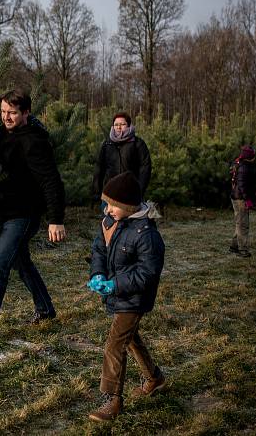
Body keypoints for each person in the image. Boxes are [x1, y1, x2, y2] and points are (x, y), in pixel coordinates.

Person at [0, 88, 66, 343]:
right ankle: (45, 309)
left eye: (13, 113)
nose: (6, 117)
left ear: (26, 112)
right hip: (5, 211)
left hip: (24, 214)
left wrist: (56, 219)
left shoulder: (34, 142)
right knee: (22, 262)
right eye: (3, 112)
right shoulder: (2, 134)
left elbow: (52, 181)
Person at [86, 171, 166, 422]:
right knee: (129, 339)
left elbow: (147, 274)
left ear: (129, 207)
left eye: (113, 205)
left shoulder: (147, 236)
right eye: (106, 203)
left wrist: (114, 284)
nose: (107, 209)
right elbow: (100, 247)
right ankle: (154, 378)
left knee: (115, 344)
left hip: (134, 297)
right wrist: (99, 273)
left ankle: (112, 399)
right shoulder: (112, 222)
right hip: (119, 293)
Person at [92, 112, 152, 203]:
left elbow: (145, 168)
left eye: (122, 124)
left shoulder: (138, 143)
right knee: (109, 216)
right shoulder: (107, 144)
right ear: (113, 127)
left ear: (128, 125)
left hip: (130, 193)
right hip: (109, 192)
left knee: (129, 217)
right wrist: (97, 191)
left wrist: (139, 190)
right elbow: (99, 167)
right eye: (116, 125)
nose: (119, 127)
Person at [229, 145, 256, 258]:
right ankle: (243, 250)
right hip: (240, 199)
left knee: (239, 222)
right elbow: (242, 185)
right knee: (243, 225)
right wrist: (247, 199)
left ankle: (234, 246)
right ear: (249, 156)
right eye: (254, 155)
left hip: (237, 197)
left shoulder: (240, 164)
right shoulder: (244, 167)